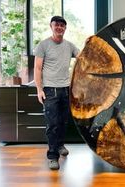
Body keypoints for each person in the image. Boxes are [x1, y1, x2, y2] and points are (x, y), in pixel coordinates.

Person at [34, 15, 80, 170]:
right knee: (52, 124)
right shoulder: (43, 45)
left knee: (63, 122)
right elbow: (38, 68)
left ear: (65, 28)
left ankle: (60, 145)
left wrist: (90, 43)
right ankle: (52, 156)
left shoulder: (69, 46)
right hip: (50, 90)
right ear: (51, 26)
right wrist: (39, 90)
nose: (59, 27)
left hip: (65, 89)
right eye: (57, 25)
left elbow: (82, 57)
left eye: (62, 25)